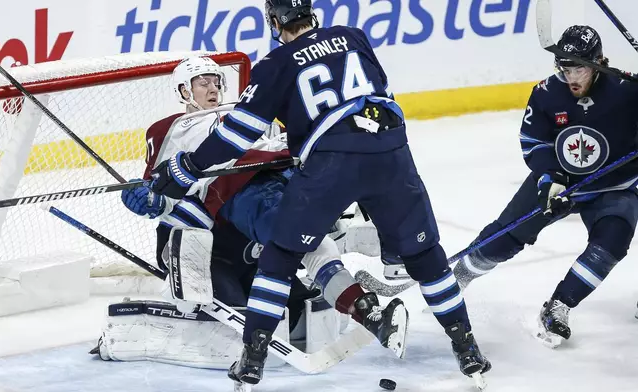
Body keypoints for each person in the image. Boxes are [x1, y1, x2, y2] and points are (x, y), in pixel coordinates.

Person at [148, 1, 490, 387]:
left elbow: (236, 133)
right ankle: (467, 347)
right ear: (312, 14)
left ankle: (252, 358)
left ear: (275, 23)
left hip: (331, 166)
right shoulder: (353, 36)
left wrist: (187, 167)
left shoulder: (276, 64)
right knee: (427, 257)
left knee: (280, 258)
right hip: (392, 153)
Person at [111, 56, 408, 367]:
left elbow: (290, 144)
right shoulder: (171, 129)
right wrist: (150, 199)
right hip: (246, 193)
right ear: (184, 91)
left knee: (356, 180)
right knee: (306, 240)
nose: (213, 88)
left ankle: (382, 247)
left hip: (289, 181)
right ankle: (368, 310)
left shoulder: (249, 113)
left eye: (216, 81)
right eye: (203, 82)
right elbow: (163, 193)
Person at [451, 25, 638, 347]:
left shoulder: (629, 90)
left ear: (598, 62)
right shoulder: (546, 93)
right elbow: (534, 141)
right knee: (503, 238)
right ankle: (455, 281)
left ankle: (560, 305)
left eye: (578, 67)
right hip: (558, 183)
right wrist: (549, 179)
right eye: (564, 68)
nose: (571, 77)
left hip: (615, 187)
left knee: (612, 242)